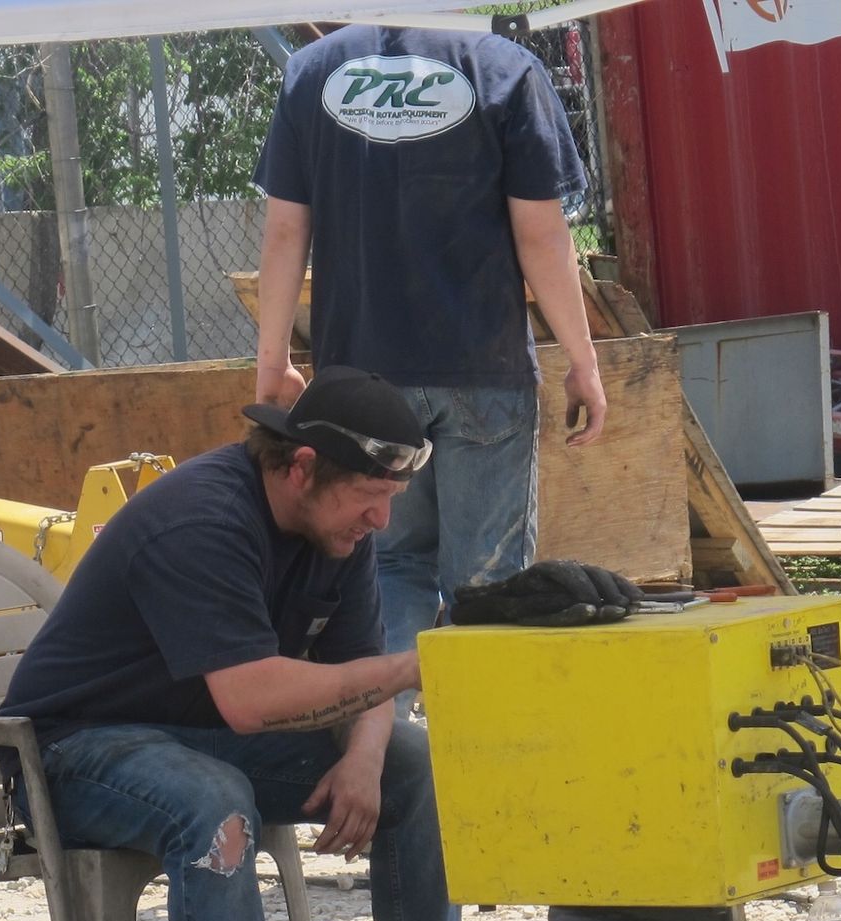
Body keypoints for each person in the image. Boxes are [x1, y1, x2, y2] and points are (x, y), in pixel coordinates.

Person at [0, 366, 537, 921]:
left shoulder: (335, 528)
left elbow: (356, 670)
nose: (383, 521)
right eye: (369, 497)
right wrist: (415, 666)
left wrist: (363, 758)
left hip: (195, 733)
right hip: (77, 751)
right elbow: (254, 699)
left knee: (412, 766)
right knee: (213, 803)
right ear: (298, 468)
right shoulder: (201, 521)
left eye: (391, 498)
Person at [252, 23, 609, 685]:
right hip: (484, 373)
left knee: (387, 570)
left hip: (360, 387)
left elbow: (283, 231)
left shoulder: (312, 72)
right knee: (490, 587)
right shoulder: (507, 70)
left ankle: (393, 756)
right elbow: (540, 235)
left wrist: (272, 363)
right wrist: (583, 362)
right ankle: (484, 757)